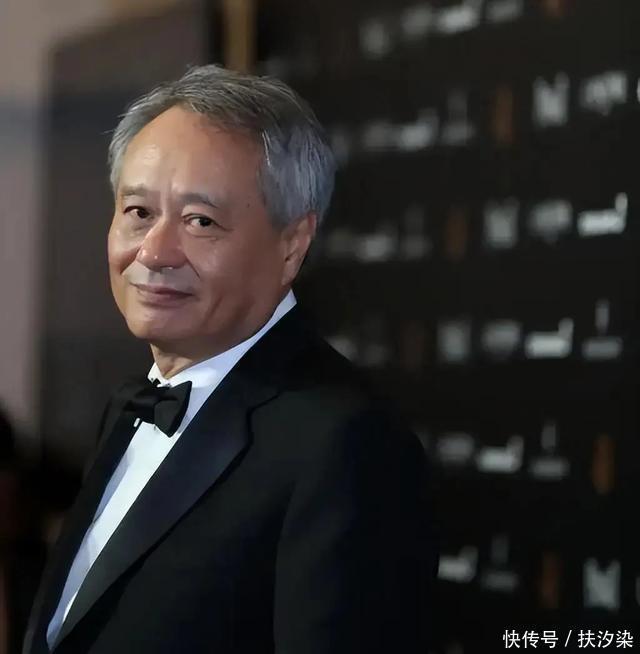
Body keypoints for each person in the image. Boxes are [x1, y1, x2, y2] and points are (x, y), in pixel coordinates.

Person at [23, 64, 437, 654]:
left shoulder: (346, 447)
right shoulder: (130, 403)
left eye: (201, 221)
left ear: (292, 245)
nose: (155, 252)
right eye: (139, 212)